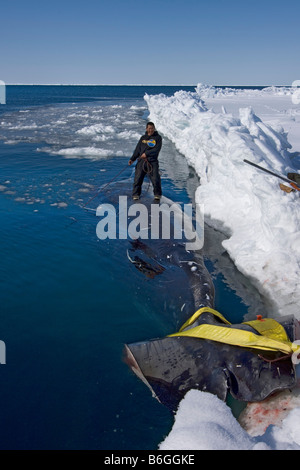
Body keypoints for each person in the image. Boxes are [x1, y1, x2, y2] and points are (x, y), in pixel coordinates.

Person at [128, 122, 162, 200]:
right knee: (138, 178)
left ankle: (157, 194)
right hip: (141, 161)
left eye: (152, 128)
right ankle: (136, 194)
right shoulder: (143, 138)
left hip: (152, 162)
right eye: (149, 128)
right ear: (146, 129)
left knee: (156, 179)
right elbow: (137, 149)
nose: (151, 130)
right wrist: (132, 159)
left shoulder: (158, 138)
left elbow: (157, 149)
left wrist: (146, 153)